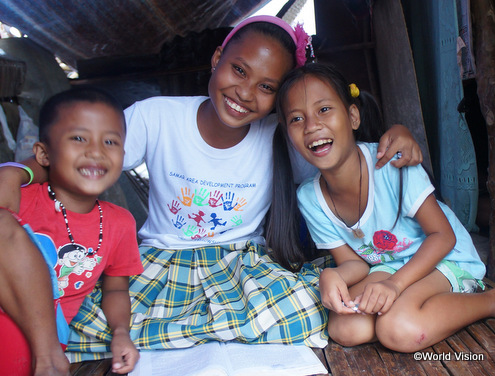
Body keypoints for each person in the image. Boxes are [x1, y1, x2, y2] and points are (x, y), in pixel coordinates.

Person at [0, 16, 422, 358]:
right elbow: (86, 158)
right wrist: (19, 172)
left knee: (307, 310)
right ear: (218, 58)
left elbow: (340, 154)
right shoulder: (157, 115)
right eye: (239, 70)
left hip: (241, 265)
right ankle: (212, 331)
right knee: (82, 322)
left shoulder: (285, 134)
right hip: (159, 260)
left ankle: (180, 333)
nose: (244, 92)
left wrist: (395, 132)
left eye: (266, 87)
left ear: (279, 99)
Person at [273, 62, 495, 352]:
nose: (312, 126)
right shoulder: (309, 197)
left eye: (324, 109)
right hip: (390, 265)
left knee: (397, 329)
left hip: (446, 257)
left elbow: (444, 237)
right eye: (296, 119)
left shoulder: (392, 165)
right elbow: (354, 263)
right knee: (345, 327)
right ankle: (419, 307)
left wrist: (395, 286)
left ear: (353, 116)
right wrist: (332, 275)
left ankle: (489, 301)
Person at [0, 88, 144, 375]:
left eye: (110, 141)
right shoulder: (20, 197)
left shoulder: (119, 223)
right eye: (79, 138)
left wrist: (120, 333)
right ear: (43, 153)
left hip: (42, 334)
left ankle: (50, 357)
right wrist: (13, 172)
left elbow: (116, 287)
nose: (96, 151)